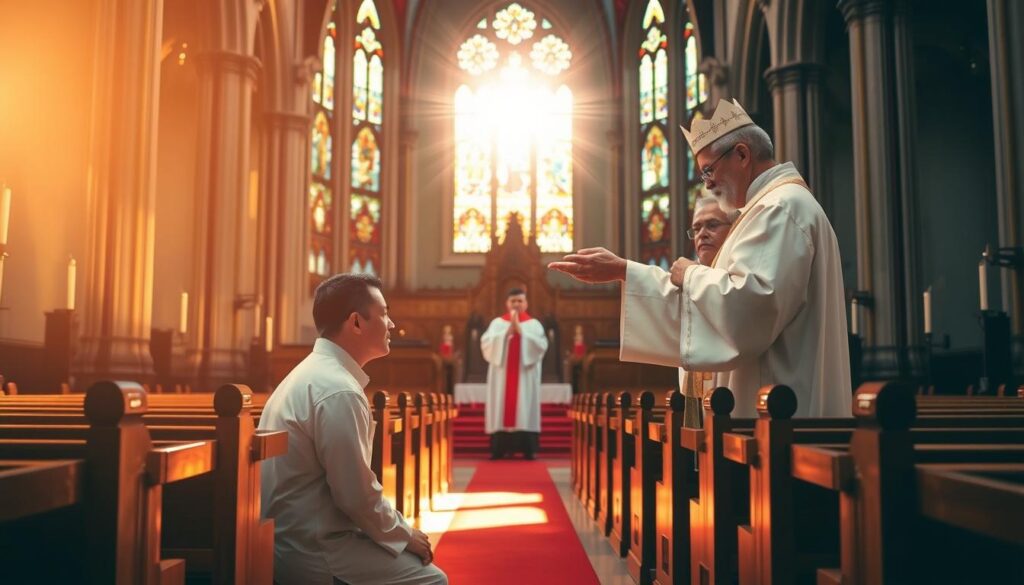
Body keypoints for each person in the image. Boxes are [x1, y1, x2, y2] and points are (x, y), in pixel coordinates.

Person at [549, 98, 851, 418]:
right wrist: (625, 270)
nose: (707, 183)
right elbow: (724, 304)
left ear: (742, 154)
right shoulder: (773, 207)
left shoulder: (779, 208)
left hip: (777, 413)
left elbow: (750, 308)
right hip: (771, 407)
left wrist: (690, 273)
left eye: (708, 169)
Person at [259, 273, 447, 585]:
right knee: (432, 580)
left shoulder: (309, 373)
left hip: (289, 537)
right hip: (315, 550)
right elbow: (356, 496)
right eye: (384, 313)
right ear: (356, 323)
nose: (391, 324)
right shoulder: (339, 391)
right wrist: (405, 535)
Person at [480, 288, 549, 459]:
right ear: (507, 303)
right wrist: (505, 334)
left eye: (520, 301)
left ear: (526, 303)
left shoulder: (534, 324)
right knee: (501, 407)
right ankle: (498, 450)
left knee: (524, 408)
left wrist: (521, 331)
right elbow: (486, 344)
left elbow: (541, 346)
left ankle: (528, 449)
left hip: (525, 376)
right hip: (502, 375)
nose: (516, 304)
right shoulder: (497, 323)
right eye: (513, 301)